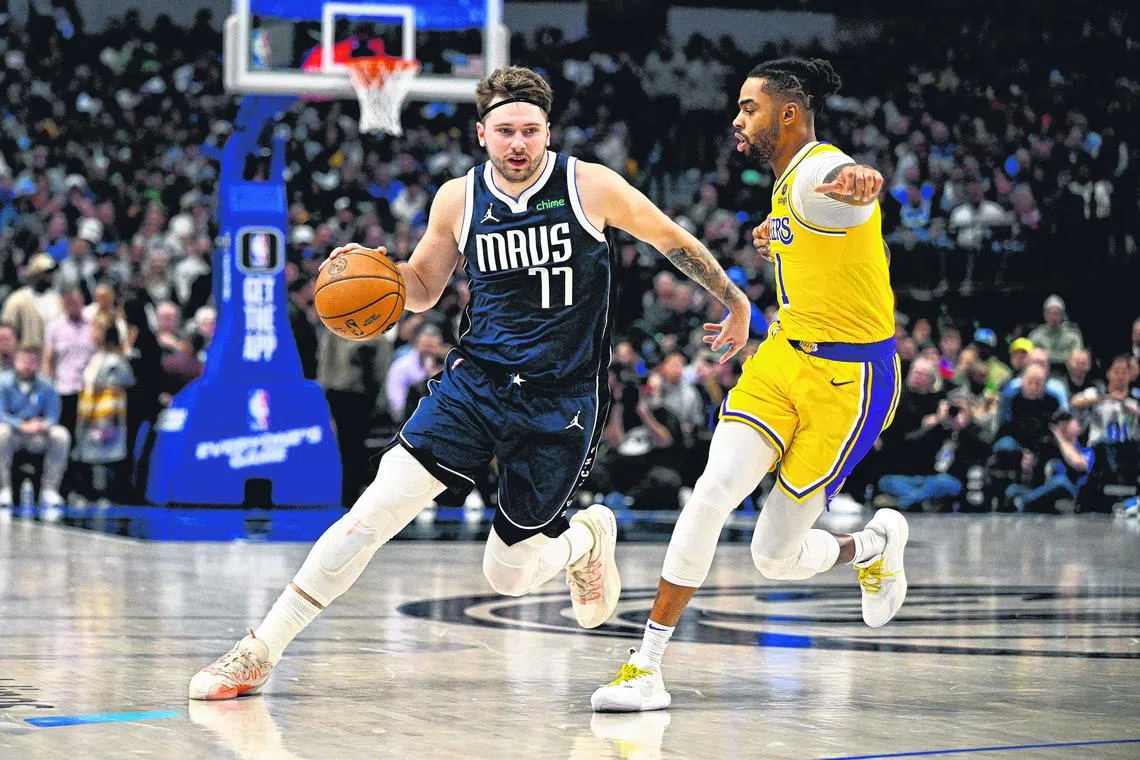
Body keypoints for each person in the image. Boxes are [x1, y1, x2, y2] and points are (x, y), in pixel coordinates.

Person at [189, 65, 750, 700]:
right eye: (506, 130)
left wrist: (733, 300)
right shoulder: (458, 199)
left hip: (560, 400)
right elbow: (425, 285)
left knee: (507, 573)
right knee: (375, 510)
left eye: (531, 131)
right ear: (481, 133)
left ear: (547, 132)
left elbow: (671, 239)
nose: (519, 143)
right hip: (474, 383)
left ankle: (583, 540)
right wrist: (381, 283)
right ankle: (262, 648)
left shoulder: (588, 186)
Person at [592, 57, 907, 713]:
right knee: (711, 493)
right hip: (783, 355)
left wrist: (862, 180)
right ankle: (644, 664)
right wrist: (777, 233)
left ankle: (872, 544)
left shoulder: (821, 169)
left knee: (773, 558)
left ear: (788, 113)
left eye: (748, 107)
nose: (737, 119)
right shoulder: (786, 182)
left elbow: (850, 184)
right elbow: (811, 226)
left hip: (851, 382)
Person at [0, 346, 71, 511]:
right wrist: (20, 425)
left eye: (31, 362)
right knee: (1, 433)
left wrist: (42, 425)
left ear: (37, 364)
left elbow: (53, 415)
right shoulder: (3, 383)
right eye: (23, 361)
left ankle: (50, 490)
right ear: (15, 362)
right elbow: (1, 413)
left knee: (61, 435)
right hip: (14, 433)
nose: (27, 365)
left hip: (38, 435)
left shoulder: (47, 385)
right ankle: (4, 489)